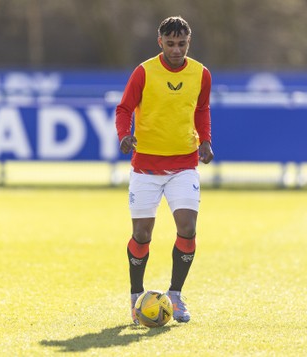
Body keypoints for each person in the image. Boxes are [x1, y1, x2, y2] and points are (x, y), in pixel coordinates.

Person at [115, 16, 214, 324]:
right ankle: (136, 298)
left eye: (181, 44)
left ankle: (175, 295)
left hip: (183, 165)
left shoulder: (201, 74)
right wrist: (124, 136)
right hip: (145, 167)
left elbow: (201, 109)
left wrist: (206, 141)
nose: (176, 49)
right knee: (142, 234)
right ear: (160, 42)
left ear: (189, 42)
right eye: (170, 44)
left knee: (187, 228)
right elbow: (124, 108)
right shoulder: (144, 72)